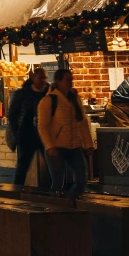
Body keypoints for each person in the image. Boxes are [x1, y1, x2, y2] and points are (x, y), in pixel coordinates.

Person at [37, 68, 92, 198]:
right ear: (58, 81)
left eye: (71, 80)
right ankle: (55, 207)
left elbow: (82, 122)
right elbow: (43, 126)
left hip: (74, 146)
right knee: (57, 182)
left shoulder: (74, 98)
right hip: (57, 146)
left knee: (81, 180)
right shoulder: (49, 100)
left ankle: (69, 201)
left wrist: (88, 144)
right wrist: (50, 146)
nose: (70, 82)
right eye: (67, 80)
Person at [7, 66, 49, 191]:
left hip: (44, 135)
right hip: (26, 135)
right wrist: (17, 133)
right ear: (32, 78)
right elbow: (12, 115)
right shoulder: (22, 93)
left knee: (51, 166)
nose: (43, 80)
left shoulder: (49, 92)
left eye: (44, 78)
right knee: (22, 167)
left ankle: (52, 192)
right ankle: (17, 191)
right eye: (40, 78)